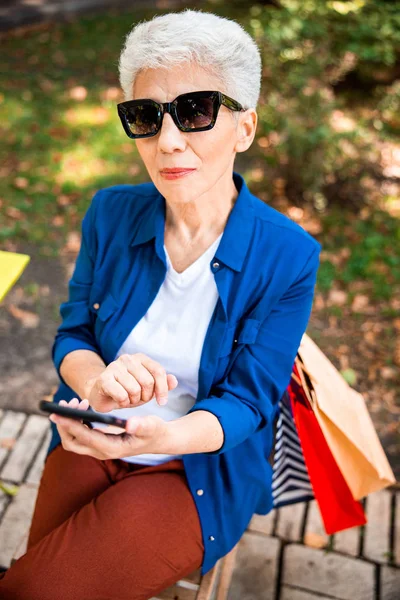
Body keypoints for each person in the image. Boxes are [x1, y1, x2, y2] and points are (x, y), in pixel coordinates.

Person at [0, 8, 321, 600]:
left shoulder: (289, 256)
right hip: (92, 436)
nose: (167, 140)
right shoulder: (110, 212)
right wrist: (96, 386)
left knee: (32, 588)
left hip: (194, 467)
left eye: (195, 111)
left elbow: (248, 405)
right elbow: (73, 337)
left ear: (244, 129)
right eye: (146, 116)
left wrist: (155, 439)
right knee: (33, 583)